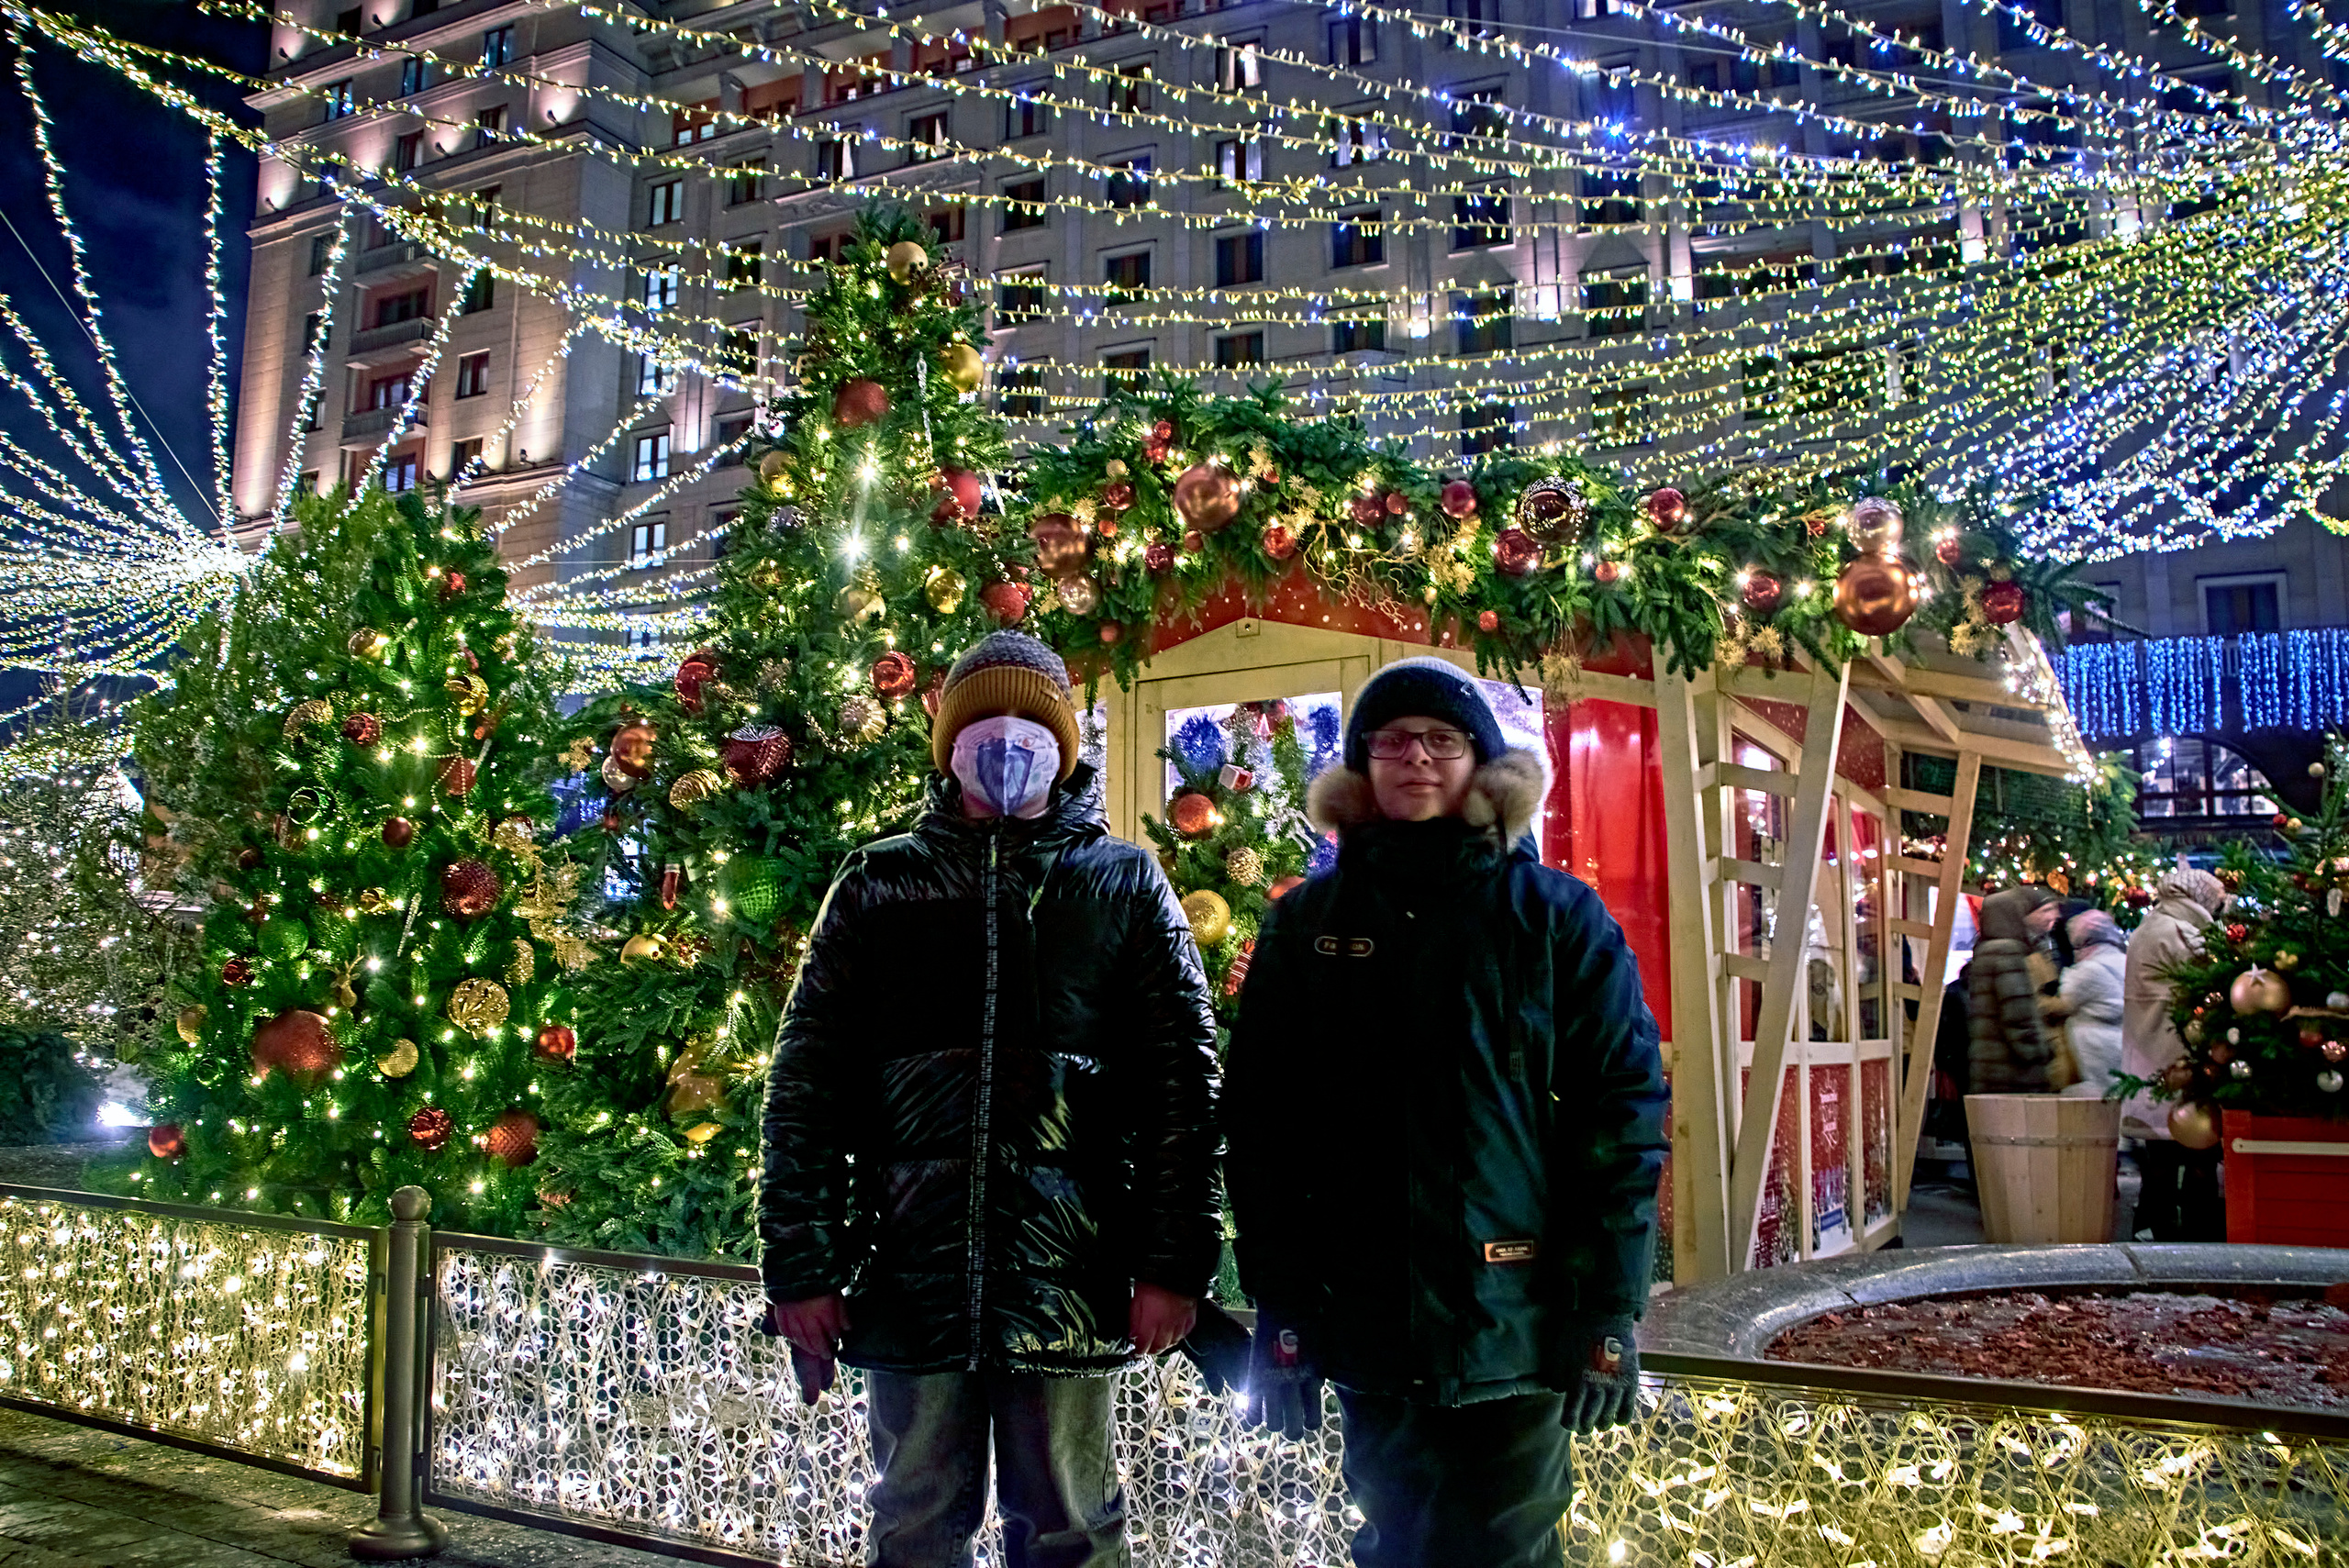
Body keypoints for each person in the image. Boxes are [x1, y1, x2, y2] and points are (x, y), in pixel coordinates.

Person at [758, 630, 1221, 1568]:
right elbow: (808, 1081)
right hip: (912, 1266)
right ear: (948, 744)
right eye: (983, 723)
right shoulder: (877, 882)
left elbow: (1183, 1084)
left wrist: (1174, 1262)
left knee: (1070, 1531)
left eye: (1028, 723)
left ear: (1062, 740)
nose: (1006, 742)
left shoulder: (1123, 882)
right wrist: (799, 1263)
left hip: (1069, 1275)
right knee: (915, 1523)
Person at [1222, 659, 1669, 1568]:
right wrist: (1284, 1303)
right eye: (1391, 740)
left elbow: (1618, 1114)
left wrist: (1604, 1304)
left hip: (1516, 1314)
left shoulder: (1554, 919)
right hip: (1369, 1313)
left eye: (1442, 738)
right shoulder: (1306, 925)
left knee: (1505, 1540)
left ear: (1479, 762)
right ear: (1360, 765)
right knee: (1391, 1538)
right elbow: (1264, 1126)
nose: (1415, 756)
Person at [2122, 864, 2229, 1241]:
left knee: (2160, 1156)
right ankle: (2188, 1232)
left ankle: (2153, 1227)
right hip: (2176, 1053)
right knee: (2193, 1151)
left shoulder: (2151, 925)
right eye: (2216, 900)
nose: (2218, 908)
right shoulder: (2179, 931)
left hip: (2151, 1051)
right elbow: (2209, 977)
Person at [1966, 885, 2062, 1094]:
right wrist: (2041, 1053)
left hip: (1990, 1066)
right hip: (2014, 1072)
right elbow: (2018, 1015)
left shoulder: (1985, 951)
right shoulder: (2008, 953)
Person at [2056, 910, 2128, 1099]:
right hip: (2123, 1041)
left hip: (2094, 1046)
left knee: (2098, 1100)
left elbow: (2065, 1002)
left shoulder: (2087, 970)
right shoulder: (2126, 961)